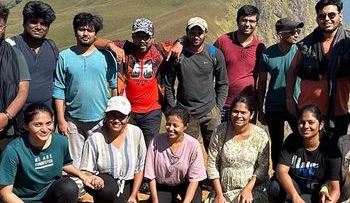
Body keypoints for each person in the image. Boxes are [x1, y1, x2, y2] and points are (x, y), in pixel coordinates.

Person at [0, 103, 93, 203]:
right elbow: (5, 193)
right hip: (25, 199)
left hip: (48, 192)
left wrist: (83, 176)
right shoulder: (13, 151)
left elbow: (65, 164)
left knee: (69, 186)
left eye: (48, 123)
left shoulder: (60, 141)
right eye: (37, 124)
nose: (45, 129)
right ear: (26, 126)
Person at [198, 94, 273, 203]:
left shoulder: (260, 135)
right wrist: (219, 194)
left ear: (251, 115)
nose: (238, 116)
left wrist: (248, 189)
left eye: (243, 112)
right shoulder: (220, 131)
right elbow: (212, 163)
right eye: (235, 111)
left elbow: (263, 167)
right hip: (224, 190)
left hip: (252, 190)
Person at [53, 13, 117, 177]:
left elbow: (114, 85)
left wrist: (113, 114)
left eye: (90, 30)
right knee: (75, 161)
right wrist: (61, 119)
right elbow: (59, 89)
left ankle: (100, 194)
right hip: (73, 119)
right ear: (75, 31)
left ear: (96, 34)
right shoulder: (64, 56)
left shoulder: (106, 57)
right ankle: (77, 194)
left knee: (101, 159)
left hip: (100, 118)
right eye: (81, 29)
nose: (85, 34)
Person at [95, 18, 176, 147]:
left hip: (152, 111)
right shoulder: (125, 48)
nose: (142, 41)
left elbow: (184, 40)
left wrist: (180, 44)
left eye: (146, 37)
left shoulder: (160, 50)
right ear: (132, 36)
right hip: (127, 110)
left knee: (150, 147)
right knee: (128, 146)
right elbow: (95, 41)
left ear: (153, 38)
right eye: (138, 36)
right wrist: (111, 46)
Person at [266, 104, 341, 203]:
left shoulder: (330, 147)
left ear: (321, 124)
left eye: (311, 122)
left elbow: (335, 188)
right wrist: (295, 196)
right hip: (296, 188)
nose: (305, 126)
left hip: (315, 194)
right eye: (301, 122)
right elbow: (281, 171)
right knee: (275, 186)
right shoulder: (293, 140)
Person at [286, 0, 350, 141]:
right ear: (317, 19)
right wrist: (289, 100)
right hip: (309, 114)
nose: (327, 19)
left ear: (340, 17)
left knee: (334, 157)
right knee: (307, 156)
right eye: (322, 16)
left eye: (331, 15)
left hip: (338, 113)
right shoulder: (305, 45)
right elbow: (292, 70)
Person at [80, 96, 146, 203]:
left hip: (126, 182)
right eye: (112, 115)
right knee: (108, 187)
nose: (116, 120)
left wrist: (134, 194)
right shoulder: (95, 137)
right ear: (106, 116)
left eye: (121, 116)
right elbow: (85, 171)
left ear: (128, 117)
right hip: (103, 184)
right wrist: (94, 179)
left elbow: (140, 168)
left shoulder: (136, 133)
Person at [164, 17, 228, 152]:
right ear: (187, 33)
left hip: (210, 112)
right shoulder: (178, 55)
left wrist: (217, 109)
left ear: (206, 33)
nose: (196, 36)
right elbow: (168, 84)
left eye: (200, 33)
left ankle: (213, 174)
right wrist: (173, 108)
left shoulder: (214, 53)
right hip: (185, 113)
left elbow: (222, 83)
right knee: (185, 152)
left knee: (215, 151)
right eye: (192, 33)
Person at [144, 106, 206, 203]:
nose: (170, 128)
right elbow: (150, 175)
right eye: (168, 124)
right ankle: (169, 202)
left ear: (185, 126)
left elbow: (195, 179)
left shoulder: (193, 145)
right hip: (163, 185)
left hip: (185, 184)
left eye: (175, 126)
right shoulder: (156, 141)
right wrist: (155, 200)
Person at [258, 17, 303, 168]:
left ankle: (296, 172)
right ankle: (277, 175)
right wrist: (260, 110)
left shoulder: (300, 51)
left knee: (301, 138)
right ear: (280, 34)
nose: (296, 34)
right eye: (292, 31)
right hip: (273, 105)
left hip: (296, 104)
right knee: (276, 143)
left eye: (297, 31)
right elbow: (262, 83)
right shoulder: (267, 55)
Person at [214, 5, 265, 121]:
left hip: (248, 106)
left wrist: (261, 108)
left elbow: (262, 81)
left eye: (252, 21)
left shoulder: (260, 47)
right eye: (244, 20)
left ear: (256, 23)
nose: (247, 24)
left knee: (245, 138)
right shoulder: (223, 41)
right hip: (223, 104)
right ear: (237, 21)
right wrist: (182, 42)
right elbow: (207, 53)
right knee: (222, 137)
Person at [12, 1, 58, 114]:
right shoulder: (11, 47)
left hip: (47, 115)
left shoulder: (51, 46)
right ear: (24, 23)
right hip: (18, 115)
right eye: (33, 22)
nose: (38, 27)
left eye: (44, 24)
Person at [0, 3, 30, 154]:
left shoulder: (15, 54)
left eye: (0, 25)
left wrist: (6, 115)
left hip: (8, 129)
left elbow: (23, 90)